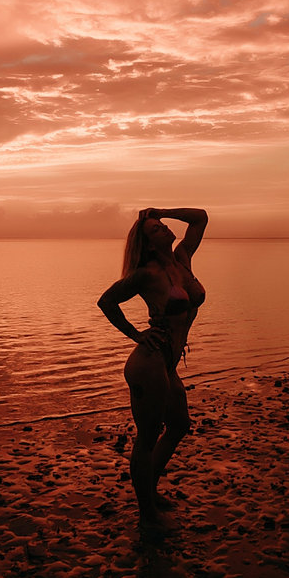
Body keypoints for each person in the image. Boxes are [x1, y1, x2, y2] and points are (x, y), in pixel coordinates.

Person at [98, 207, 208, 530]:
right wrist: (136, 334)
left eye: (162, 225)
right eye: (156, 229)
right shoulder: (146, 273)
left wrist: (161, 210)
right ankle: (148, 516)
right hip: (149, 363)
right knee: (147, 439)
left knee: (179, 426)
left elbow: (200, 217)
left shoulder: (182, 257)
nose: (164, 228)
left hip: (167, 363)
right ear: (147, 245)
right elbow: (107, 301)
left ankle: (149, 491)